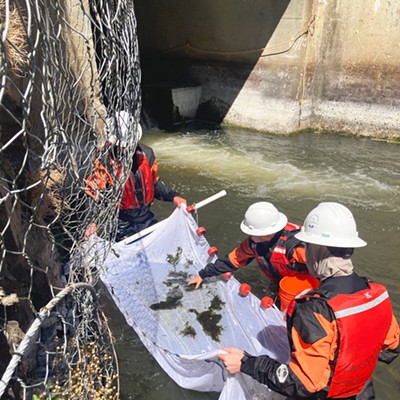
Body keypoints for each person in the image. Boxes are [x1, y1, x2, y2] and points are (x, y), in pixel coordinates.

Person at [218, 202, 399, 399]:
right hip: (363, 392)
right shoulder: (377, 293)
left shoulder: (314, 309)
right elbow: (392, 347)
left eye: (308, 246)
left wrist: (246, 363)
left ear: (317, 250)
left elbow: (301, 382)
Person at [85, 111, 186, 241]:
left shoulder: (147, 154)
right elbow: (93, 193)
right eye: (122, 146)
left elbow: (154, 183)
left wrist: (174, 197)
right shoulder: (104, 161)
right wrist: (92, 222)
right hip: (121, 222)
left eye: (129, 145)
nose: (126, 149)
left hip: (146, 217)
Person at [188, 201, 309, 289]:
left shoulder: (296, 245)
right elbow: (230, 261)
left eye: (253, 233)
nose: (250, 236)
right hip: (284, 284)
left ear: (268, 232)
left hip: (309, 285)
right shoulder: (253, 244)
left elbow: (325, 268)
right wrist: (202, 275)